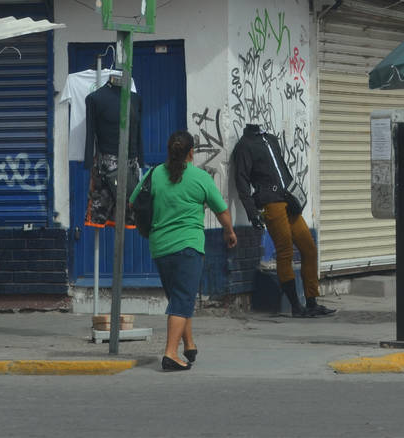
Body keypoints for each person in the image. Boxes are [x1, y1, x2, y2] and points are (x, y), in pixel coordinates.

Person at [132, 130, 236, 371]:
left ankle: (189, 344)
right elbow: (222, 211)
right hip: (188, 247)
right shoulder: (200, 178)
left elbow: (133, 201)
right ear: (191, 152)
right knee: (182, 299)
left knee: (179, 297)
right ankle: (170, 354)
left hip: (160, 247)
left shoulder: (154, 174)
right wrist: (229, 232)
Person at [232, 123, 336, 318]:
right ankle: (296, 306)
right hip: (271, 203)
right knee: (285, 251)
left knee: (309, 249)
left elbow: (283, 169)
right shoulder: (244, 146)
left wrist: (295, 194)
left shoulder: (271, 139)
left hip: (288, 200)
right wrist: (252, 212)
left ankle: (311, 302)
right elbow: (242, 181)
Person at [85, 77, 143, 226]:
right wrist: (88, 160)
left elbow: (138, 132)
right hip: (105, 169)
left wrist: (141, 160)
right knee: (100, 216)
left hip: (131, 167)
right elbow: (90, 132)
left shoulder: (135, 99)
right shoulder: (95, 99)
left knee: (130, 217)